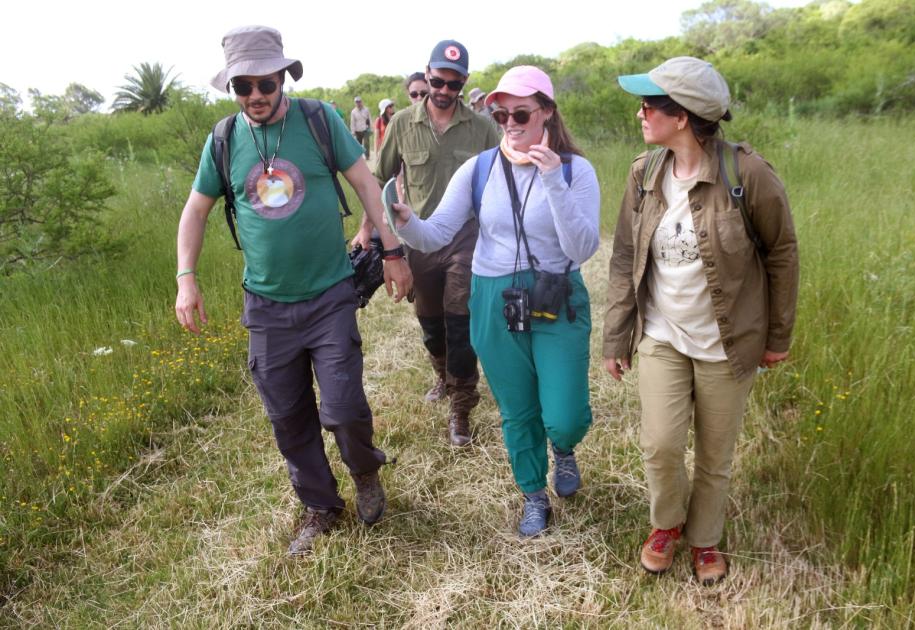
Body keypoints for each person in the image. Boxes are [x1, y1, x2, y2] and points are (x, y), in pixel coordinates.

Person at [174, 25, 412, 556]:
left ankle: (365, 472)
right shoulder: (224, 139)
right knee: (288, 415)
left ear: (283, 76)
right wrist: (185, 277)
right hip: (265, 304)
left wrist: (392, 251)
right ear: (233, 88)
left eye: (265, 83)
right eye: (243, 87)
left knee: (344, 407)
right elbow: (195, 210)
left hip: (329, 293)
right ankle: (320, 506)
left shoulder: (319, 120)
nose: (255, 96)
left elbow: (366, 183)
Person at [602, 57, 799, 584]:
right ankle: (667, 523)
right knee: (661, 444)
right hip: (663, 335)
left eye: (651, 103)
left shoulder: (746, 174)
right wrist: (616, 336)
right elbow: (625, 257)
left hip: (728, 341)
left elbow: (782, 253)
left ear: (683, 115)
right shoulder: (644, 173)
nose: (641, 112)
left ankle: (705, 538)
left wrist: (777, 336)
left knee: (715, 453)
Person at [388, 66, 600, 537]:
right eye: (500, 113)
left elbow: (583, 248)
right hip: (494, 297)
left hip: (556, 295)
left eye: (520, 112)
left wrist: (551, 181)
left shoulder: (573, 170)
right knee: (517, 409)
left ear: (546, 111)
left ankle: (563, 448)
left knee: (563, 416)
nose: (508, 122)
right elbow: (438, 231)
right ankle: (533, 495)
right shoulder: (480, 168)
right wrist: (403, 220)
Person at [364, 40, 500, 447]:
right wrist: (369, 229)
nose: (443, 90)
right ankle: (441, 374)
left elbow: (500, 183)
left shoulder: (482, 128)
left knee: (460, 322)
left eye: (453, 83)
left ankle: (461, 407)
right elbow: (376, 179)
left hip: (466, 240)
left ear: (464, 83)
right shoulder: (403, 123)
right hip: (419, 240)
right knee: (431, 323)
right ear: (427, 74)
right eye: (437, 80)